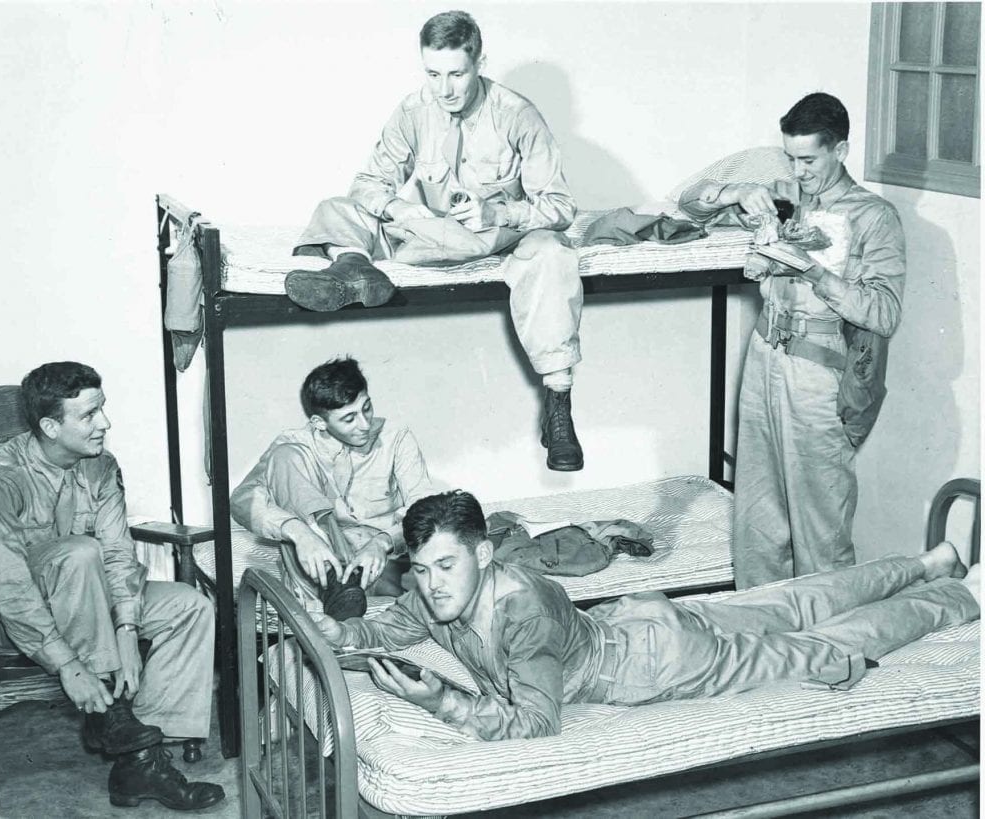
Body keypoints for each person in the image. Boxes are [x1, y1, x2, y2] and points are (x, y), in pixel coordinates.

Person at [310, 490, 978, 741]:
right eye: (420, 569)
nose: (430, 587)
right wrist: (343, 630)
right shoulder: (437, 591)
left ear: (485, 554)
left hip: (664, 663)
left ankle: (954, 594)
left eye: (445, 567)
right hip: (640, 621)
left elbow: (538, 723)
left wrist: (446, 705)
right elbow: (387, 628)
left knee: (824, 647)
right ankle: (929, 560)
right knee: (795, 597)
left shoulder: (522, 611)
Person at [285, 10, 585, 472]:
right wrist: (401, 209)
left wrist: (498, 211)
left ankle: (559, 407)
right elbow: (367, 184)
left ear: (480, 61)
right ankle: (352, 269)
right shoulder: (413, 110)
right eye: (433, 74)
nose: (443, 89)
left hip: (494, 239)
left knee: (551, 251)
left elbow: (561, 207)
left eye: (456, 74)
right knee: (335, 208)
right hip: (432, 234)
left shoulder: (517, 115)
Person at [0, 362, 224, 810]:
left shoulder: (100, 467)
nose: (105, 423)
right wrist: (68, 665)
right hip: (9, 618)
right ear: (49, 426)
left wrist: (125, 629)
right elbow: (12, 588)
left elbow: (119, 552)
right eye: (88, 415)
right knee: (80, 552)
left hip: (90, 606)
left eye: (101, 409)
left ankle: (141, 760)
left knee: (190, 605)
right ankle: (115, 720)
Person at [678, 93, 906, 588]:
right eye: (791, 158)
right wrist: (735, 192)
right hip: (764, 358)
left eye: (809, 160)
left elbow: (885, 314)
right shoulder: (788, 195)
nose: (799, 171)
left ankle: (828, 647)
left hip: (818, 374)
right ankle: (763, 635)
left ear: (840, 150)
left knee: (820, 523)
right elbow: (689, 203)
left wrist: (814, 272)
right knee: (757, 519)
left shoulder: (874, 216)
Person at [230, 357, 435, 614]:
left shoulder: (397, 437)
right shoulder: (295, 444)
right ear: (319, 423)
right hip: (321, 563)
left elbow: (425, 506)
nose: (365, 424)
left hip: (383, 563)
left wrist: (383, 542)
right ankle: (333, 592)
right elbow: (242, 499)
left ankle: (338, 605)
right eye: (349, 419)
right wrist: (298, 532)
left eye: (367, 408)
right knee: (285, 457)